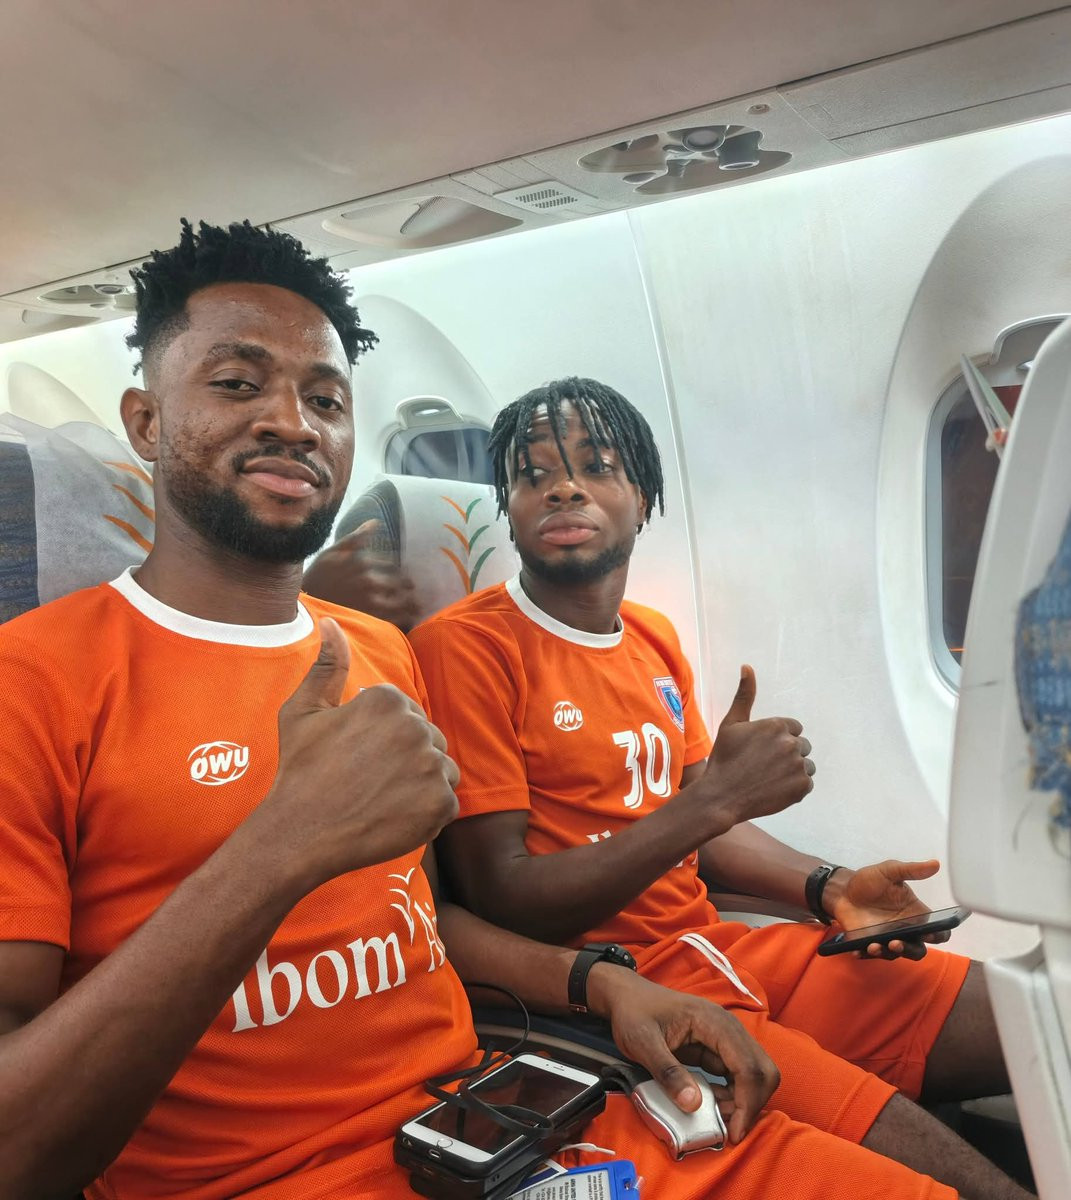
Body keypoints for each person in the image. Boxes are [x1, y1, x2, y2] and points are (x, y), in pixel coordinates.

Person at [0, 223, 965, 1200]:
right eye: (238, 384)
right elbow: (17, 1149)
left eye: (326, 399)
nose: (293, 422)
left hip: (491, 1119)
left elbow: (427, 921)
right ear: (146, 422)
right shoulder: (30, 682)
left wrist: (603, 984)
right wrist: (276, 848)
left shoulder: (378, 651)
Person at [409, 377, 1035, 1200]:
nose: (561, 488)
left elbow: (707, 831)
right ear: (511, 508)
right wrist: (714, 800)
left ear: (641, 499)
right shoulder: (464, 648)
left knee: (1039, 1025)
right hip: (627, 983)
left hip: (723, 947)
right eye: (532, 476)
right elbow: (505, 897)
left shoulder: (651, 636)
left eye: (595, 466)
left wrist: (828, 885)